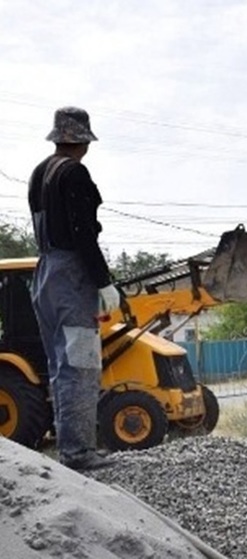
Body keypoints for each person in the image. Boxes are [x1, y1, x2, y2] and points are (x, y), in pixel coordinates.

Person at [28, 107, 121, 471]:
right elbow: (83, 233)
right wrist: (104, 281)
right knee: (80, 364)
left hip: (45, 273)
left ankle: (69, 448)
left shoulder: (40, 172)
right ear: (83, 140)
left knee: (58, 364)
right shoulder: (74, 172)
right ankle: (79, 453)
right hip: (70, 277)